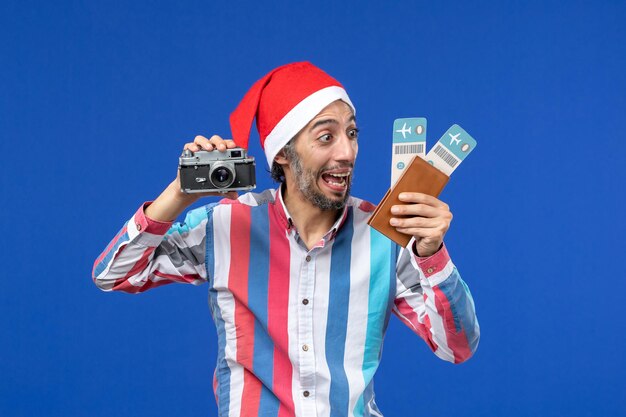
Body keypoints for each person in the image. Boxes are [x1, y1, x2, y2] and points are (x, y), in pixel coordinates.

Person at [92, 62, 479, 417]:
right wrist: (180, 192)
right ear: (282, 154)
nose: (346, 152)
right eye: (326, 136)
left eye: (352, 133)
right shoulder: (224, 224)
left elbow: (457, 347)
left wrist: (432, 255)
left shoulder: (384, 237)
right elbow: (113, 273)